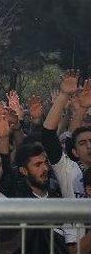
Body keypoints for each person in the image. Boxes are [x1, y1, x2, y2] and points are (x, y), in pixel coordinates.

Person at [42, 70, 88, 198]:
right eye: (83, 143)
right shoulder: (68, 169)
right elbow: (48, 135)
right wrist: (64, 95)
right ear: (74, 151)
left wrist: (82, 109)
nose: (89, 146)